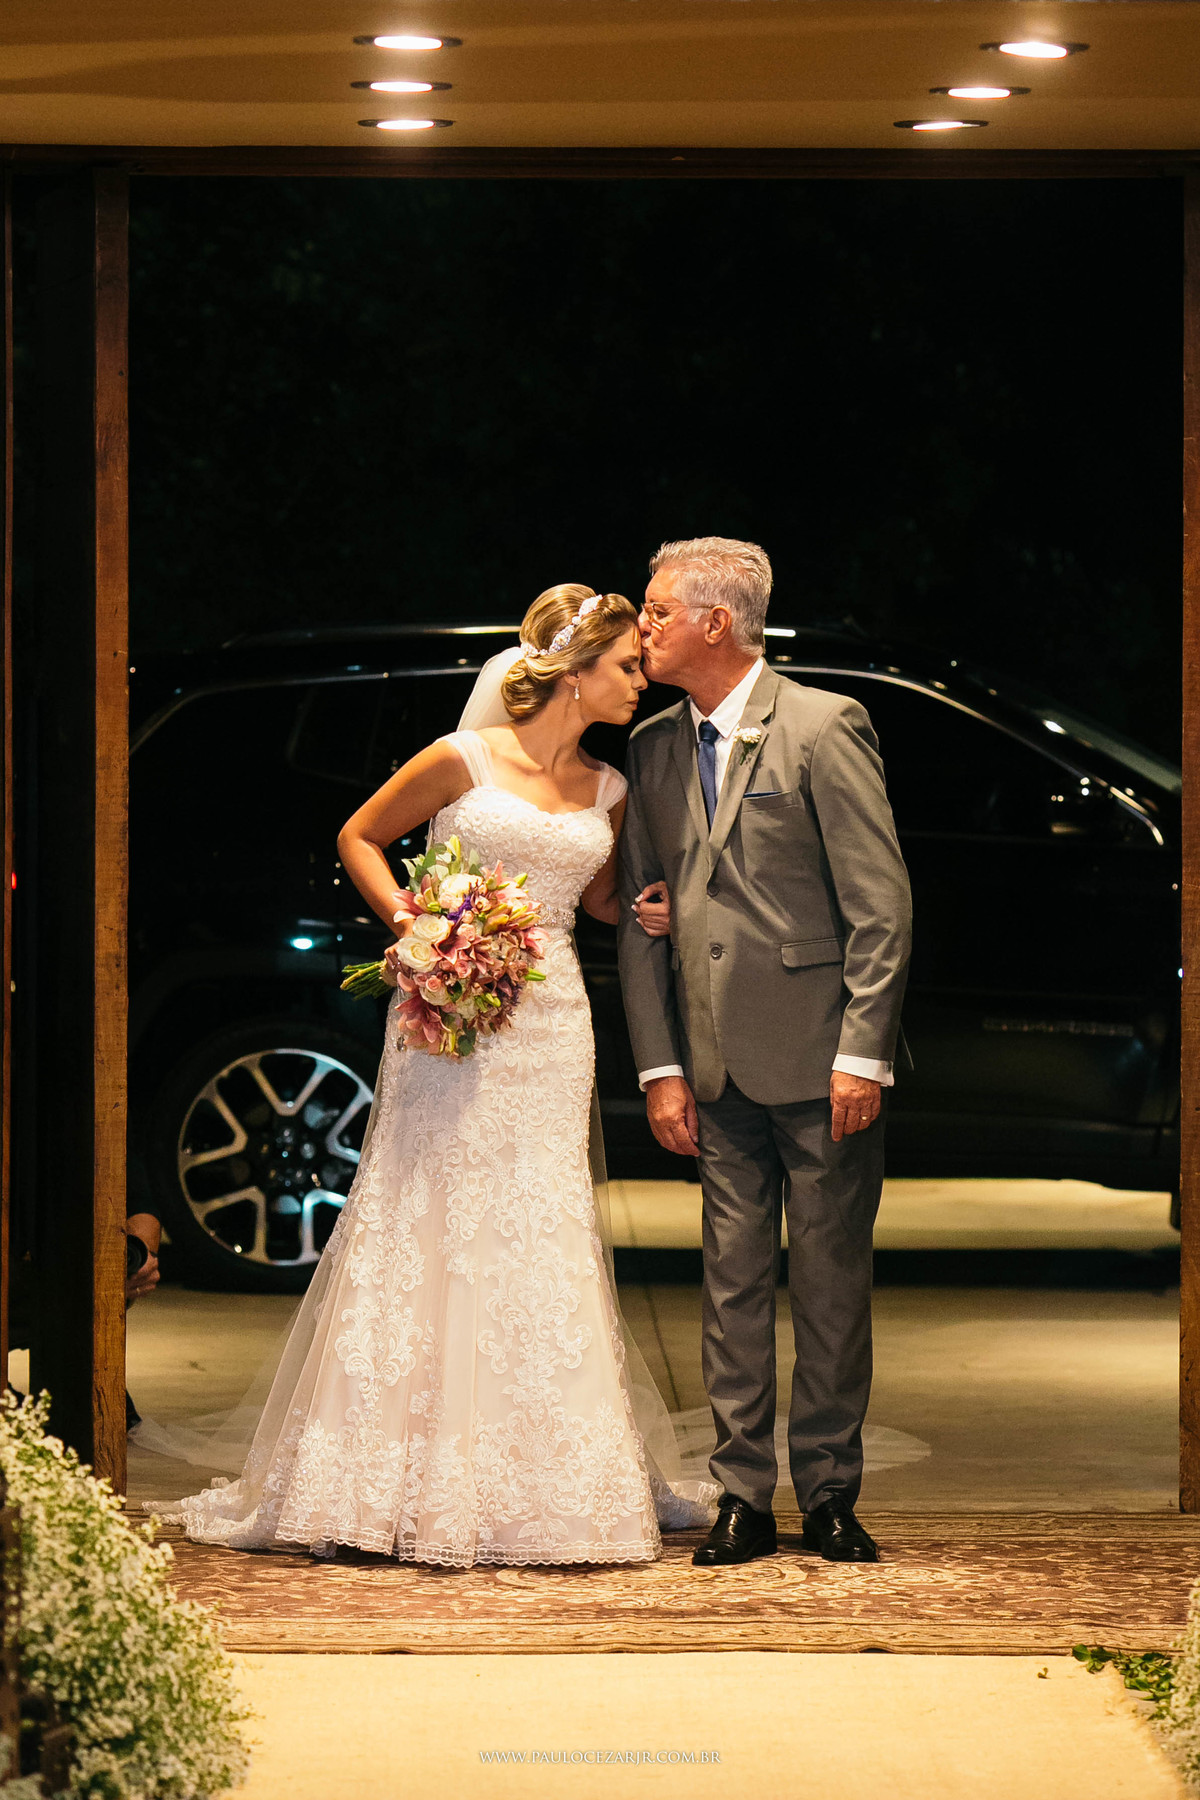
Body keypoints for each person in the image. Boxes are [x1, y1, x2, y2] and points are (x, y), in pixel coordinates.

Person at [157, 585, 713, 1566]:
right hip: (453, 1017)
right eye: (627, 666)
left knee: (539, 1216)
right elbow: (359, 836)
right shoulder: (464, 758)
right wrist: (421, 927)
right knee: (431, 1209)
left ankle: (539, 1477)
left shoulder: (610, 787)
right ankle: (388, 1475)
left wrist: (647, 908)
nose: (640, 682)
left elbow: (595, 899)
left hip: (552, 1022)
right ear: (575, 672)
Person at [617, 537, 912, 1566]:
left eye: (657, 610)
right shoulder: (653, 746)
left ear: (715, 623)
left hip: (820, 1057)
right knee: (729, 1284)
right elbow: (641, 914)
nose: (642, 626)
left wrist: (863, 1053)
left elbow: (881, 907)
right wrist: (659, 1067)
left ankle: (829, 1491)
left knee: (829, 1283)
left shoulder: (825, 726)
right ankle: (742, 1492)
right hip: (711, 1061)